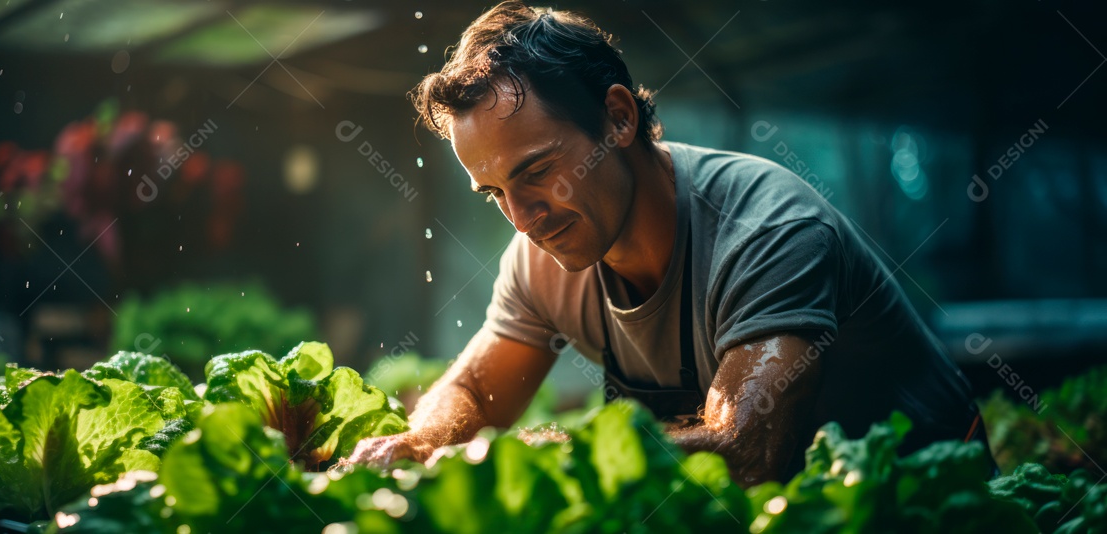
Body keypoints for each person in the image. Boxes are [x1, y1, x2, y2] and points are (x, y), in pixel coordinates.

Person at [347, 1, 995, 485]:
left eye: (537, 173)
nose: (522, 219)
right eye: (494, 193)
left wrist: (546, 449)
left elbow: (746, 446)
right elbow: (477, 394)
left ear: (620, 118)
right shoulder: (543, 256)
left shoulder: (765, 228)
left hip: (933, 507)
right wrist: (425, 441)